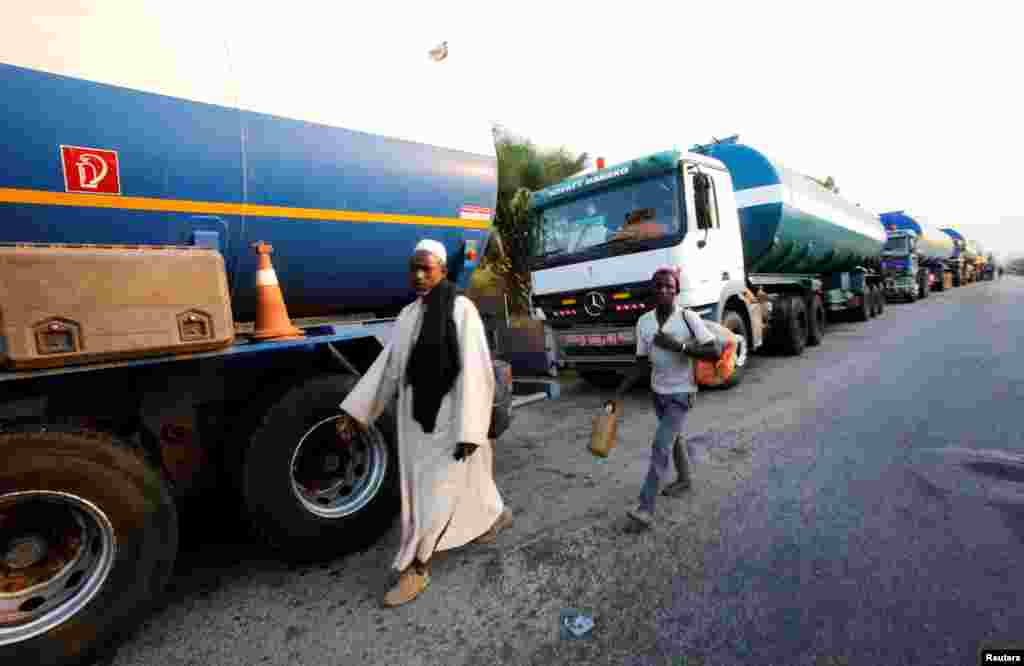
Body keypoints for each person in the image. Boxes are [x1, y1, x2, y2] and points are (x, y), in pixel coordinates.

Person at [334, 239, 513, 607]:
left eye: (426, 268)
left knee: (432, 494)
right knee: (467, 479)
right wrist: (356, 412)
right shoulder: (408, 316)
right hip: (416, 419)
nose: (418, 275)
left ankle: (417, 565)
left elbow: (477, 372)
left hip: (452, 419)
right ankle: (492, 515)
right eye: (413, 268)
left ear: (443, 271)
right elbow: (387, 369)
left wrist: (470, 429)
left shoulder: (461, 310)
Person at [626, 266, 722, 528]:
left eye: (669, 286)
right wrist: (619, 392)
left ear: (676, 290)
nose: (664, 290)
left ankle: (645, 508)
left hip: (682, 392)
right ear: (652, 290)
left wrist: (679, 346)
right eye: (659, 286)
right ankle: (685, 479)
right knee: (674, 437)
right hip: (658, 392)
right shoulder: (643, 322)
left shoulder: (688, 318)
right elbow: (641, 362)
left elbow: (714, 350)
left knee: (661, 445)